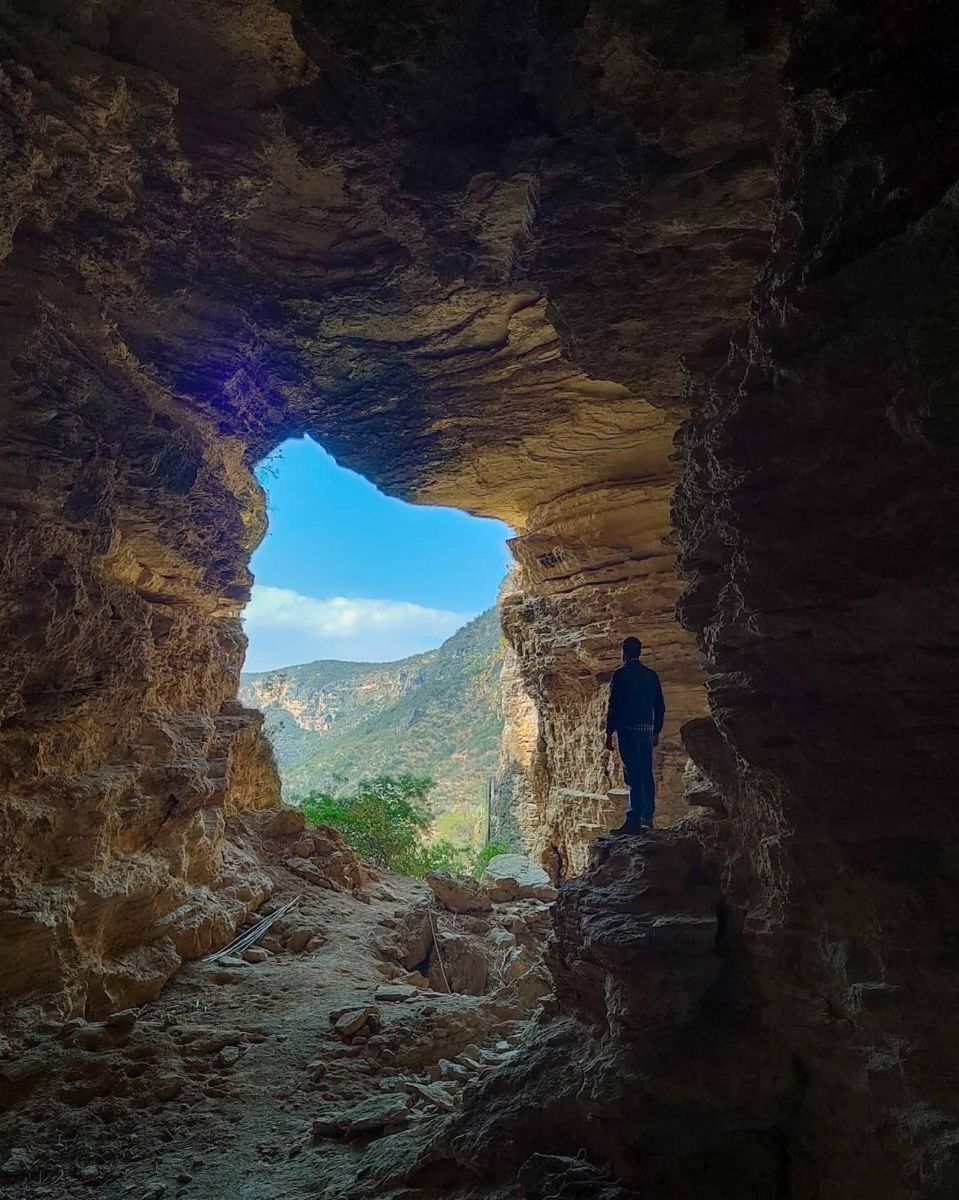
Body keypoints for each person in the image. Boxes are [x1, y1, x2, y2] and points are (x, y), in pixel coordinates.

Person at [604, 636, 665, 832]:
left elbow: (614, 706)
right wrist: (656, 730)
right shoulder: (651, 675)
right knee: (646, 773)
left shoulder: (620, 675)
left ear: (624, 652)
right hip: (646, 731)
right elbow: (659, 706)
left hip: (628, 731)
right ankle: (648, 818)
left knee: (634, 775)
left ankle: (633, 820)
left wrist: (609, 732)